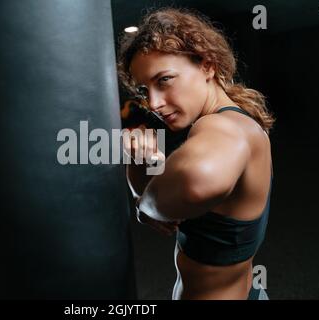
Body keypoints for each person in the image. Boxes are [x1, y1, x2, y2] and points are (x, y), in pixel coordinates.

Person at [117, 7, 275, 300]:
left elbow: (194, 181)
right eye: (144, 90)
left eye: (164, 80)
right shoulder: (219, 124)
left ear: (207, 65)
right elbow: (163, 192)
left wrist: (144, 206)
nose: (152, 103)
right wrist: (142, 161)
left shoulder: (226, 125)